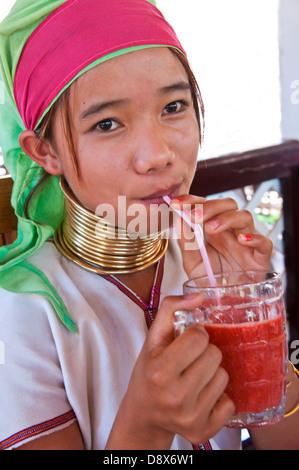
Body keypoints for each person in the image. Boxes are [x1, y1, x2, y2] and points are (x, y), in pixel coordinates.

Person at [0, 0, 298, 451]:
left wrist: (250, 309)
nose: (158, 154)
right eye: (107, 123)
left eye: (174, 106)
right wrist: (146, 426)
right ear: (46, 153)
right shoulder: (21, 313)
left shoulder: (210, 261)